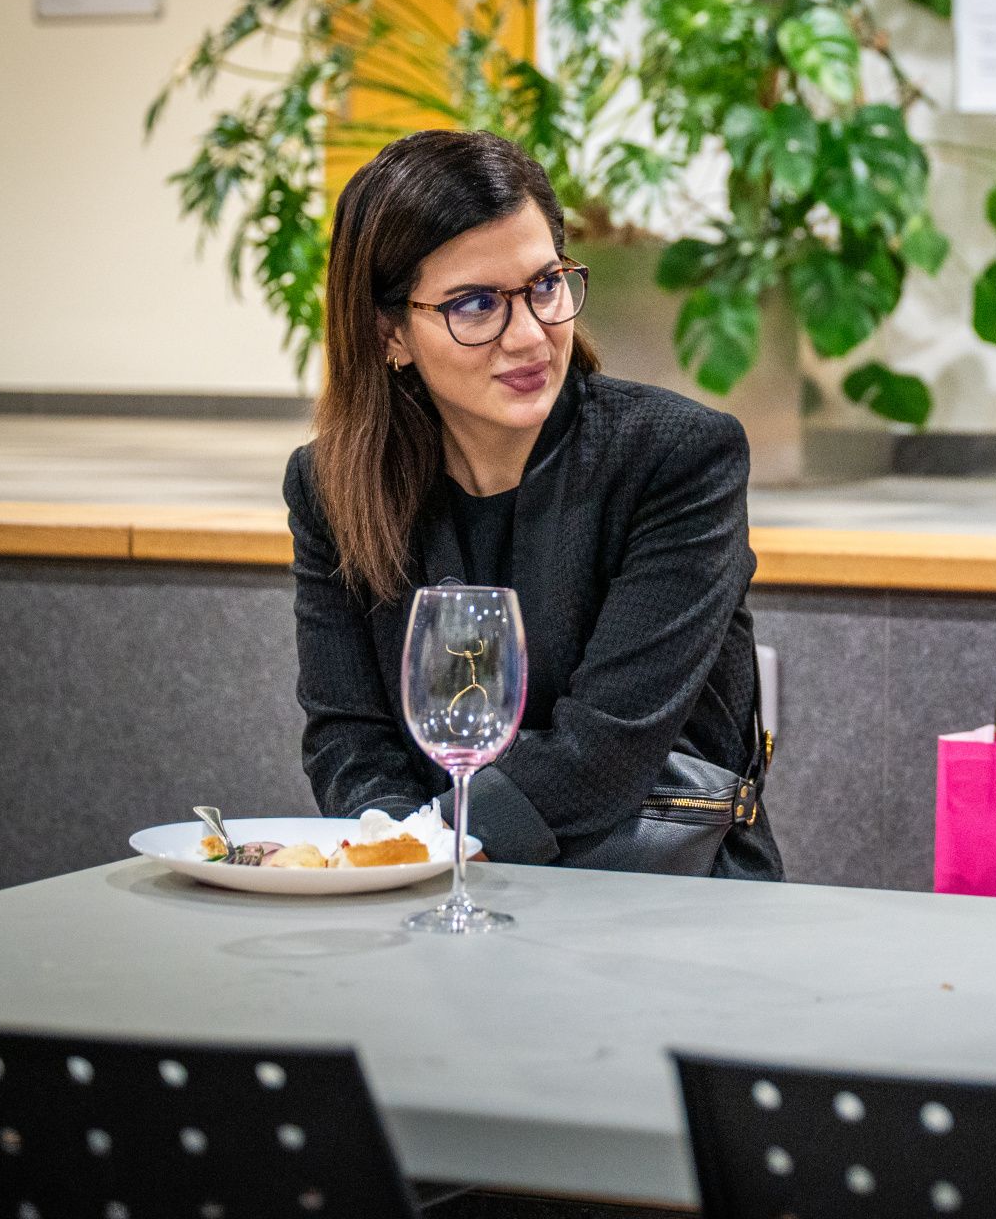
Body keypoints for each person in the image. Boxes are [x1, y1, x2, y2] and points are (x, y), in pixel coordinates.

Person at [284, 129, 780, 879]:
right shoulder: (332, 485)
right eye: (476, 304)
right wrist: (397, 863)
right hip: (431, 894)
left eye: (545, 286)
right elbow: (349, 737)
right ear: (389, 334)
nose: (528, 338)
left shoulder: (676, 457)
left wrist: (425, 850)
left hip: (663, 898)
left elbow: (604, 749)